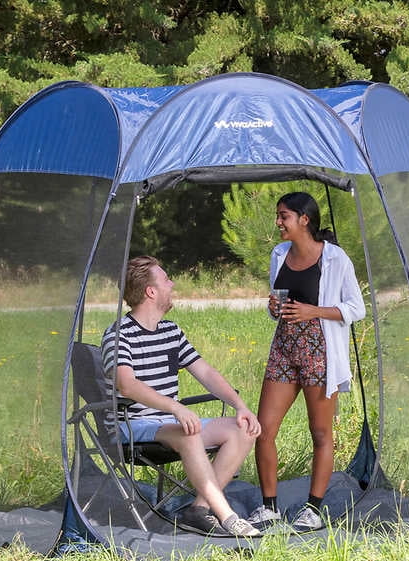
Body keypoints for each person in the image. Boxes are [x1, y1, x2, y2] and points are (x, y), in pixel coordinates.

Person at [101, 255, 262, 537]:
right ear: (151, 291)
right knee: (188, 433)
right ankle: (228, 517)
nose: (172, 284)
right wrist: (175, 407)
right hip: (130, 427)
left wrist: (240, 406)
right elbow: (127, 385)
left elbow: (206, 373)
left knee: (243, 429)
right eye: (166, 280)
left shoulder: (171, 331)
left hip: (168, 424)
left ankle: (198, 510)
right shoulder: (118, 335)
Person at [248, 192, 366, 531]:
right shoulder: (279, 254)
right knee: (264, 429)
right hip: (284, 348)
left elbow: (357, 308)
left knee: (320, 432)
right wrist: (273, 308)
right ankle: (269, 508)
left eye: (283, 216)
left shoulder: (335, 258)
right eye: (278, 215)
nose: (278, 222)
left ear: (304, 219)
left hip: (320, 351)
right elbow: (278, 303)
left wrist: (314, 311)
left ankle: (313, 510)